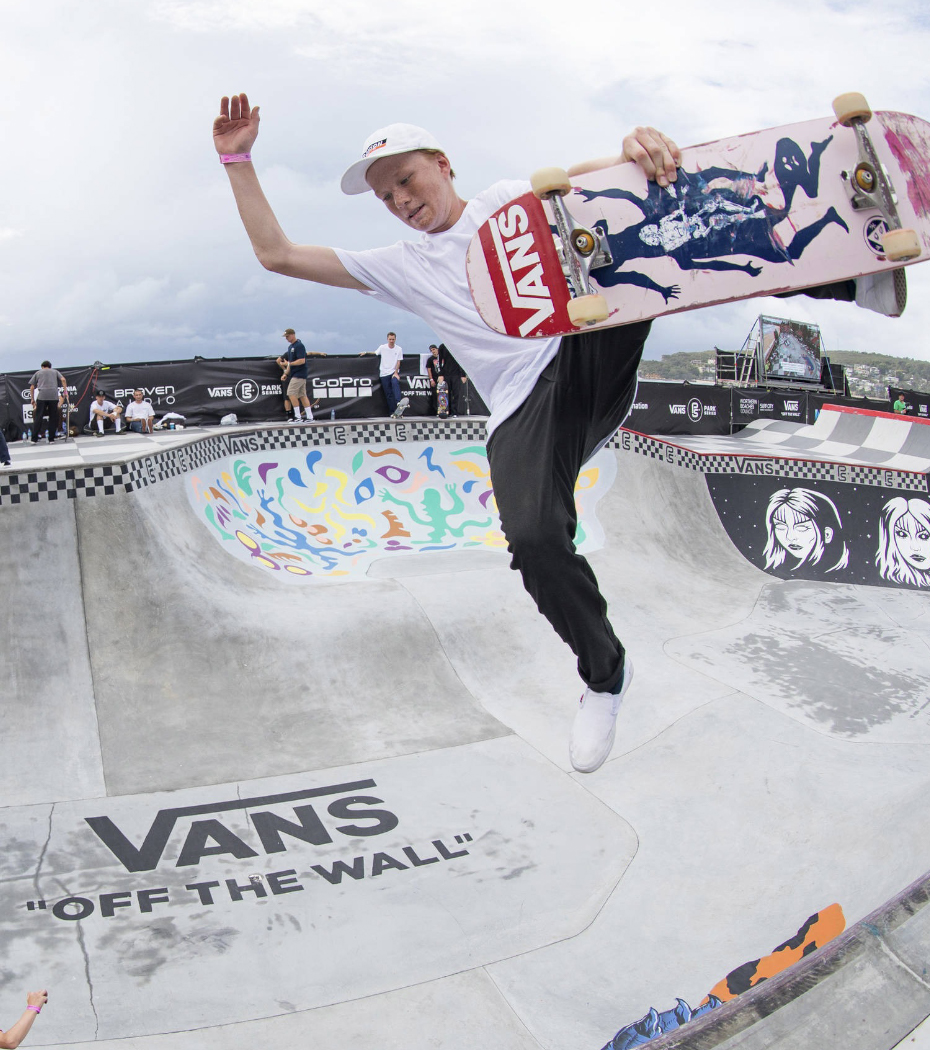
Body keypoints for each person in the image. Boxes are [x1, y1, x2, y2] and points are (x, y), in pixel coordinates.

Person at [212, 92, 877, 771]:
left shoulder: (509, 202)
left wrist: (635, 150)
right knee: (532, 541)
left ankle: (848, 278)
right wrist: (237, 158)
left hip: (586, 350)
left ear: (443, 165)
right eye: (385, 198)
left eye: (406, 182)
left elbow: (602, 180)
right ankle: (604, 675)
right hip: (523, 405)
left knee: (640, 231)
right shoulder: (400, 267)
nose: (401, 202)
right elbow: (279, 255)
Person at [361, 332, 405, 416]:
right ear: (387, 339)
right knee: (388, 394)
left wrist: (396, 372)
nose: (391, 341)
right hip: (384, 373)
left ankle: (399, 403)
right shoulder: (382, 347)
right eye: (390, 339)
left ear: (395, 339)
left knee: (395, 383)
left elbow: (398, 361)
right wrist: (366, 352)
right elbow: (375, 353)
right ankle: (393, 412)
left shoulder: (399, 349)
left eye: (393, 339)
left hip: (393, 372)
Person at [277, 328, 314, 422]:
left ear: (293, 335)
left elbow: (302, 360)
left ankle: (298, 416)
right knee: (302, 395)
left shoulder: (299, 345)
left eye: (288, 336)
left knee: (291, 393)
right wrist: (286, 373)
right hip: (294, 373)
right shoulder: (290, 347)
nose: (286, 338)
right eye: (285, 337)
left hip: (300, 373)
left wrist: (289, 364)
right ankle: (310, 417)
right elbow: (290, 363)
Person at [28, 360, 68, 444]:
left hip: (42, 395)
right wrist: (65, 392)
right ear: (50, 366)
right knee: (53, 417)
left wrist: (32, 398)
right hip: (53, 396)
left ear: (42, 366)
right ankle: (51, 439)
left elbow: (32, 387)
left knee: (38, 417)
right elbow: (63, 379)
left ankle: (34, 439)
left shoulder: (38, 372)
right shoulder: (55, 371)